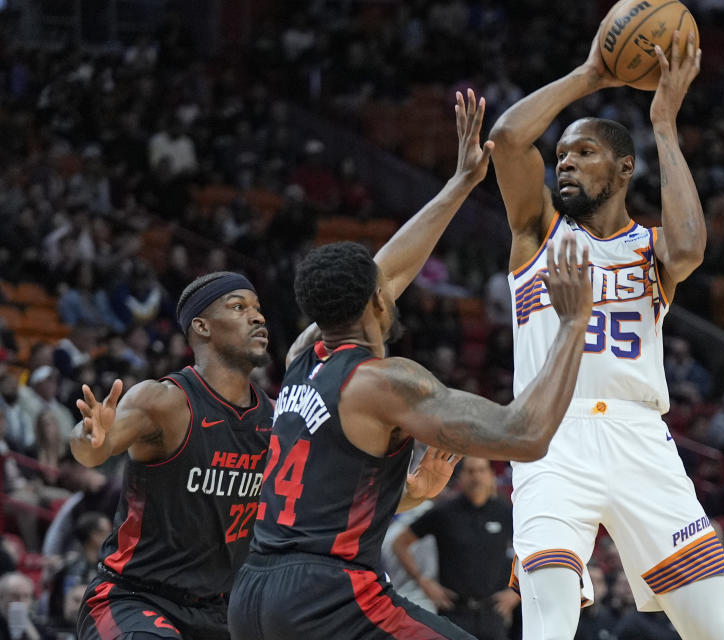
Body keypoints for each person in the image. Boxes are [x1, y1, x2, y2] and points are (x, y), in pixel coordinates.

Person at [228, 90, 594, 640]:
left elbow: (386, 271)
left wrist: (460, 183)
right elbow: (526, 434)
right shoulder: (385, 381)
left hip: (254, 593)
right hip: (328, 596)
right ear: (378, 302)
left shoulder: (305, 353)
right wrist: (571, 326)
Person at [488, 19, 724, 640]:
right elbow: (507, 139)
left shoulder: (650, 251)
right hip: (551, 433)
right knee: (547, 625)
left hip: (638, 436)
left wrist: (663, 125)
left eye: (584, 152)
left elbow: (689, 250)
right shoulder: (537, 233)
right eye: (563, 154)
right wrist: (591, 74)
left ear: (624, 169)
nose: (565, 161)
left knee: (716, 631)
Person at [71, 270, 277, 640]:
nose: (258, 316)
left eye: (257, 308)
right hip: (135, 598)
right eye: (238, 306)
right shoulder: (165, 401)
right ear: (202, 326)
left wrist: (403, 490)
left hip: (222, 612)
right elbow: (92, 451)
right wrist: (90, 437)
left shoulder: (276, 421)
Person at [392, 457, 516, 640]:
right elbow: (400, 543)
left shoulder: (505, 511)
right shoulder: (444, 512)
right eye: (471, 471)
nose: (476, 477)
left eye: (482, 471)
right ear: (461, 476)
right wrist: (423, 581)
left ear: (491, 475)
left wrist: (516, 592)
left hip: (493, 612)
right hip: (453, 610)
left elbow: (528, 550)